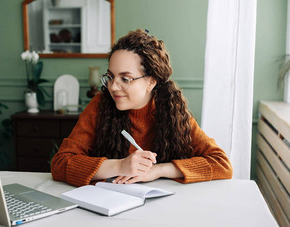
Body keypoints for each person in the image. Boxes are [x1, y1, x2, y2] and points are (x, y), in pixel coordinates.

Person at [51, 29, 233, 187]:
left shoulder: (173, 110)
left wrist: (159, 170)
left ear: (151, 82)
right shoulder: (100, 104)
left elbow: (222, 164)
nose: (113, 86)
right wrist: (119, 166)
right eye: (111, 77)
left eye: (125, 78)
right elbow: (60, 163)